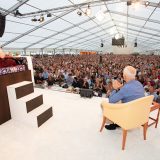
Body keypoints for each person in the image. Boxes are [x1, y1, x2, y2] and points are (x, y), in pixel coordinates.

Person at [105, 66, 145, 130]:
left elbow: (111, 100)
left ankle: (115, 123)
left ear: (125, 76)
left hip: (129, 115)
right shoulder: (139, 84)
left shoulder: (125, 88)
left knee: (105, 105)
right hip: (140, 113)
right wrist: (121, 87)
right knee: (119, 101)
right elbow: (130, 92)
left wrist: (116, 89)